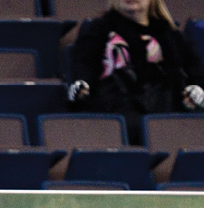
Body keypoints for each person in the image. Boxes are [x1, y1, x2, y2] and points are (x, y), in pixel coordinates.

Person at [69, 0, 204, 144]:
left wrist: (196, 88)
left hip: (164, 109)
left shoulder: (171, 34)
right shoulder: (98, 29)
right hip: (114, 109)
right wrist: (82, 82)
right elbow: (83, 63)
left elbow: (195, 70)